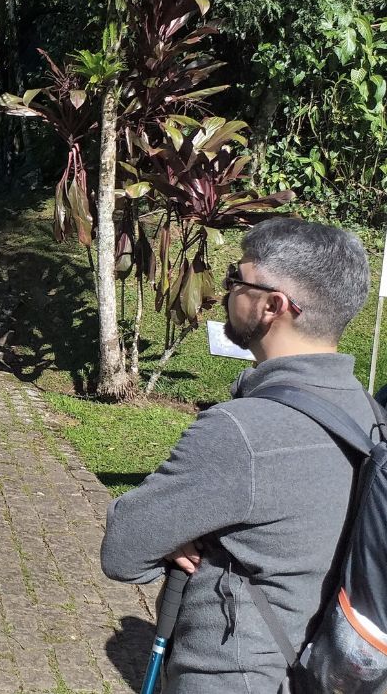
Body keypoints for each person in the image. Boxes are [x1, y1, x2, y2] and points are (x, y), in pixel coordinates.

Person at [101, 217, 377, 693]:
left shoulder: (241, 432)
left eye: (237, 278)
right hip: (326, 673)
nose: (226, 290)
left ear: (273, 306)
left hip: (231, 677)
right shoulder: (371, 416)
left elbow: (124, 550)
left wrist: (178, 535)